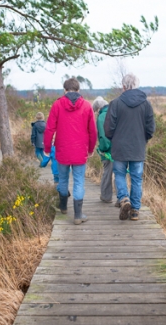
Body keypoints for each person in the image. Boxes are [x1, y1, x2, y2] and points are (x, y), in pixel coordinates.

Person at [43, 77, 97, 225]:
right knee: (79, 181)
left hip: (62, 151)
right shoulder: (86, 106)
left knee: (63, 179)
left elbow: (49, 129)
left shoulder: (57, 105)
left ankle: (63, 207)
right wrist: (91, 149)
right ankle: (78, 215)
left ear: (65, 90)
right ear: (78, 90)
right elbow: (93, 131)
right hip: (80, 151)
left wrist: (47, 148)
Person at [104, 73, 155, 221]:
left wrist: (113, 138)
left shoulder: (115, 103)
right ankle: (135, 211)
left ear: (124, 86)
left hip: (119, 147)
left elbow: (108, 128)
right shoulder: (146, 104)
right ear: (137, 86)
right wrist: (143, 139)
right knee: (137, 179)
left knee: (119, 174)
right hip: (138, 148)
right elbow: (150, 128)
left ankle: (124, 198)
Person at [92, 96, 114, 204]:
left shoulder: (101, 117)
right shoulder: (115, 112)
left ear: (98, 108)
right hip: (121, 149)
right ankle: (123, 198)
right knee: (120, 173)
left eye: (95, 111)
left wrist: (102, 149)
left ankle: (106, 196)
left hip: (109, 152)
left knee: (107, 173)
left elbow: (104, 137)